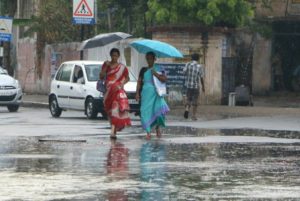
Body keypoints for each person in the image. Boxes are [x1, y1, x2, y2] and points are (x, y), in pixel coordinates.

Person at [135, 52, 170, 139]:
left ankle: (158, 127)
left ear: (154, 59)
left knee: (158, 111)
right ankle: (148, 131)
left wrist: (156, 74)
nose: (149, 60)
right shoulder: (143, 70)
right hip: (146, 93)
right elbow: (139, 82)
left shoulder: (159, 68)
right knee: (144, 112)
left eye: (151, 58)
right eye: (147, 58)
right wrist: (137, 93)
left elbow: (164, 79)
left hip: (156, 93)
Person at [99, 48, 131, 139]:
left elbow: (127, 78)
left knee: (115, 109)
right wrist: (106, 67)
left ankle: (112, 131)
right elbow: (101, 76)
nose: (114, 57)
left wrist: (122, 83)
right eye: (113, 55)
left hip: (117, 91)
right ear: (111, 56)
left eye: (116, 56)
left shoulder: (122, 67)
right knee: (109, 111)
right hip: (108, 91)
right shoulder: (106, 64)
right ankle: (113, 128)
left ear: (118, 56)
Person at [183, 53, 205, 121]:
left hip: (188, 85)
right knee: (195, 101)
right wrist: (203, 86)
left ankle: (187, 109)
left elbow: (184, 72)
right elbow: (201, 77)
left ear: (191, 58)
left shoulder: (188, 64)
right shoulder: (199, 66)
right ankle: (194, 116)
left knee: (188, 99)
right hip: (196, 86)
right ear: (198, 59)